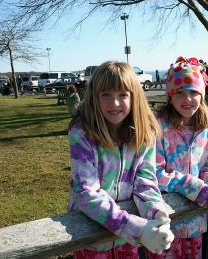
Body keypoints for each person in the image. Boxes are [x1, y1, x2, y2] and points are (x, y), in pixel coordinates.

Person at [67, 61, 174, 258]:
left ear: (135, 97)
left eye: (123, 95)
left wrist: (157, 213)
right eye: (105, 94)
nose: (114, 103)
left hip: (126, 241)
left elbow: (146, 180)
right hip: (91, 238)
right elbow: (86, 192)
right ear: (94, 97)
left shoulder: (145, 133)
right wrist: (137, 228)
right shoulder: (82, 132)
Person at [147, 57, 208, 259]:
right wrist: (194, 187)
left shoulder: (207, 127)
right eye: (180, 93)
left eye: (194, 92)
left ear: (202, 95)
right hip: (165, 222)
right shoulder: (159, 127)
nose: (187, 99)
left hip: (196, 221)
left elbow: (206, 165)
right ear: (170, 95)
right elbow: (155, 173)